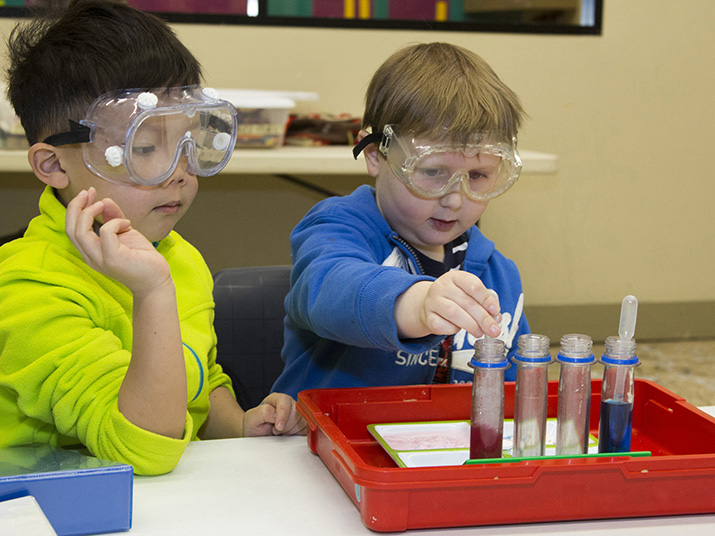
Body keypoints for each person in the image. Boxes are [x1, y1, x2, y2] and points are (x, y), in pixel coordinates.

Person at [0, 0, 303, 476]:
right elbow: (143, 447)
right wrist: (153, 293)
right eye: (143, 148)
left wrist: (241, 425)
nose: (179, 172)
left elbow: (198, 383)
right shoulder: (26, 288)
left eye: (188, 142)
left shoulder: (177, 255)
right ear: (53, 165)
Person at [272, 42, 530, 398]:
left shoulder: (499, 276)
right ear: (376, 154)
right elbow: (328, 289)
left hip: (439, 451)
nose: (455, 199)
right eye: (433, 171)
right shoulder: (339, 229)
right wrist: (415, 303)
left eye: (478, 176)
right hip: (321, 446)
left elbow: (511, 394)